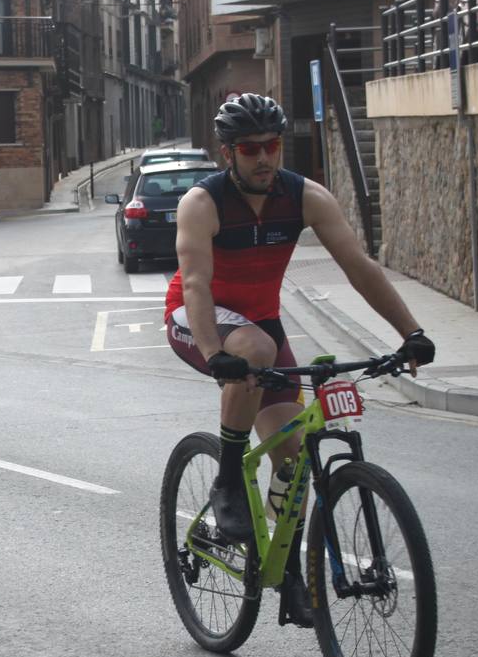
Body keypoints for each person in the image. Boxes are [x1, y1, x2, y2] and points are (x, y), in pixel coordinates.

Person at [166, 92, 435, 626]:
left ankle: (286, 574)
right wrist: (215, 352)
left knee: (293, 455)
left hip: (260, 324)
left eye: (272, 146)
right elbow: (195, 282)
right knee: (255, 351)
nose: (264, 158)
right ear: (228, 154)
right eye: (250, 149)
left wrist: (412, 333)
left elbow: (359, 267)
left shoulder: (306, 197)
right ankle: (226, 480)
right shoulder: (203, 202)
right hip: (198, 318)